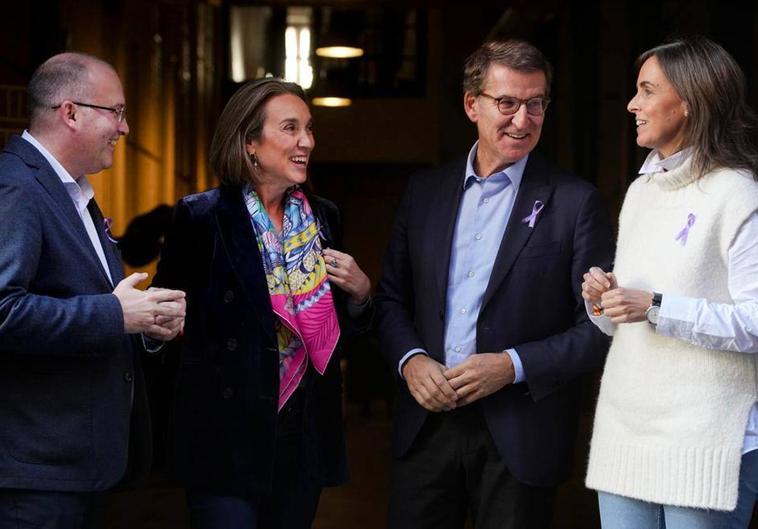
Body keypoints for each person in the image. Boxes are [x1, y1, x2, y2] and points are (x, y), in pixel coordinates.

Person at [375, 39, 614, 529]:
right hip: (426, 426)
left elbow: (597, 330)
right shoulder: (425, 193)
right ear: (471, 104)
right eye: (507, 103)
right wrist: (411, 360)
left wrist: (512, 365)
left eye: (536, 103)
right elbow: (391, 298)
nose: (522, 120)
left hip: (520, 432)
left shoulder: (576, 202)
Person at [151, 78, 372, 529]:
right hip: (226, 436)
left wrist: (362, 293)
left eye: (308, 128)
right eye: (290, 128)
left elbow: (334, 334)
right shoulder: (201, 217)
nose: (306, 142)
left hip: (303, 433)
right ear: (250, 142)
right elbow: (165, 322)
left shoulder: (324, 216)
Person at [0, 52, 186, 528]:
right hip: (37, 474)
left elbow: (90, 302)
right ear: (71, 113)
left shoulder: (73, 191)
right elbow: (4, 310)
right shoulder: (17, 187)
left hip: (80, 467)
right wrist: (114, 314)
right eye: (117, 112)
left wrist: (144, 322)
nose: (124, 129)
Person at [583, 37, 758, 529]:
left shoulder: (739, 194)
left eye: (646, 90)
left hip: (705, 436)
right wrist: (603, 303)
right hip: (625, 431)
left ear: (688, 101)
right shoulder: (641, 191)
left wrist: (657, 305)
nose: (632, 105)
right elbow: (627, 323)